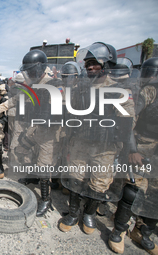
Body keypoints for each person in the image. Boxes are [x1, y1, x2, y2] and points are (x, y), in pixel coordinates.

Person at [59, 42, 135, 235]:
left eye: (95, 63)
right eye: (88, 64)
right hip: (81, 142)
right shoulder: (80, 88)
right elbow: (69, 110)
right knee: (75, 179)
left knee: (99, 183)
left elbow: (128, 119)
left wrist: (112, 132)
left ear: (107, 64)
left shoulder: (119, 89)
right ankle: (74, 213)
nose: (91, 67)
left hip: (105, 147)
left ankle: (89, 214)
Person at [108, 57, 158, 254]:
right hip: (142, 145)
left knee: (154, 194)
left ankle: (143, 232)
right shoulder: (149, 91)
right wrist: (132, 149)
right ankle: (118, 231)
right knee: (133, 190)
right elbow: (129, 119)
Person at [13, 50, 64, 217]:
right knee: (21, 151)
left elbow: (60, 112)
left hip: (49, 134)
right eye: (28, 71)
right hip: (33, 130)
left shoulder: (55, 85)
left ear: (40, 69)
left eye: (31, 71)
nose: (30, 74)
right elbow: (17, 100)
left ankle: (45, 199)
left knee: (44, 167)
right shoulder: (32, 85)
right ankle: (32, 176)